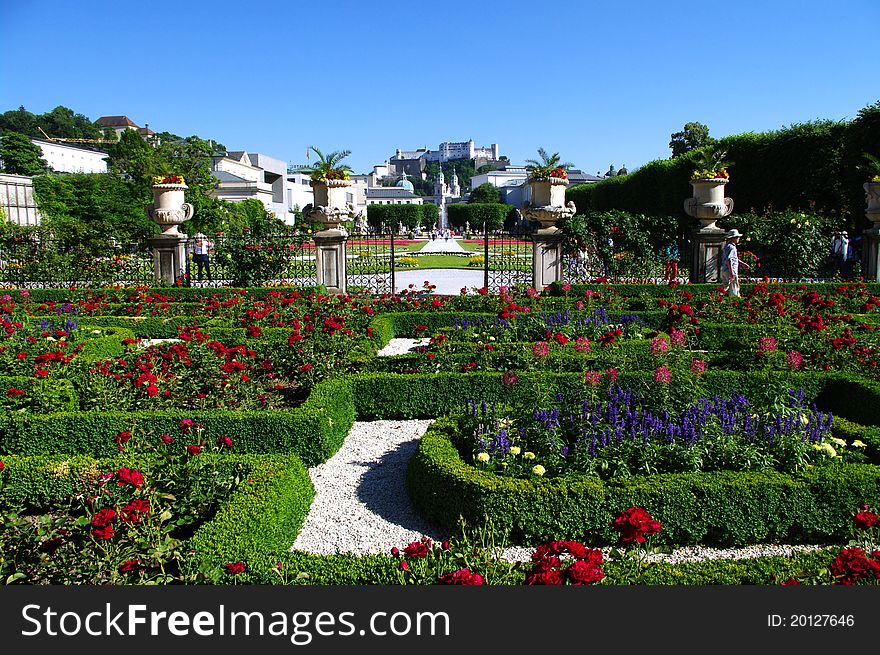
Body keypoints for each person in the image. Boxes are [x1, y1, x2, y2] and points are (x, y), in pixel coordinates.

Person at [720, 228, 747, 297]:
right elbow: (729, 260)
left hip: (725, 270)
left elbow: (733, 258)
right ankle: (735, 301)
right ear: (733, 238)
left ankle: (715, 297)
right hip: (730, 270)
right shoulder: (731, 247)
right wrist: (732, 272)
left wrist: (742, 263)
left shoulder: (727, 246)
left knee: (724, 287)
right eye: (737, 237)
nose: (739, 239)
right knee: (734, 288)